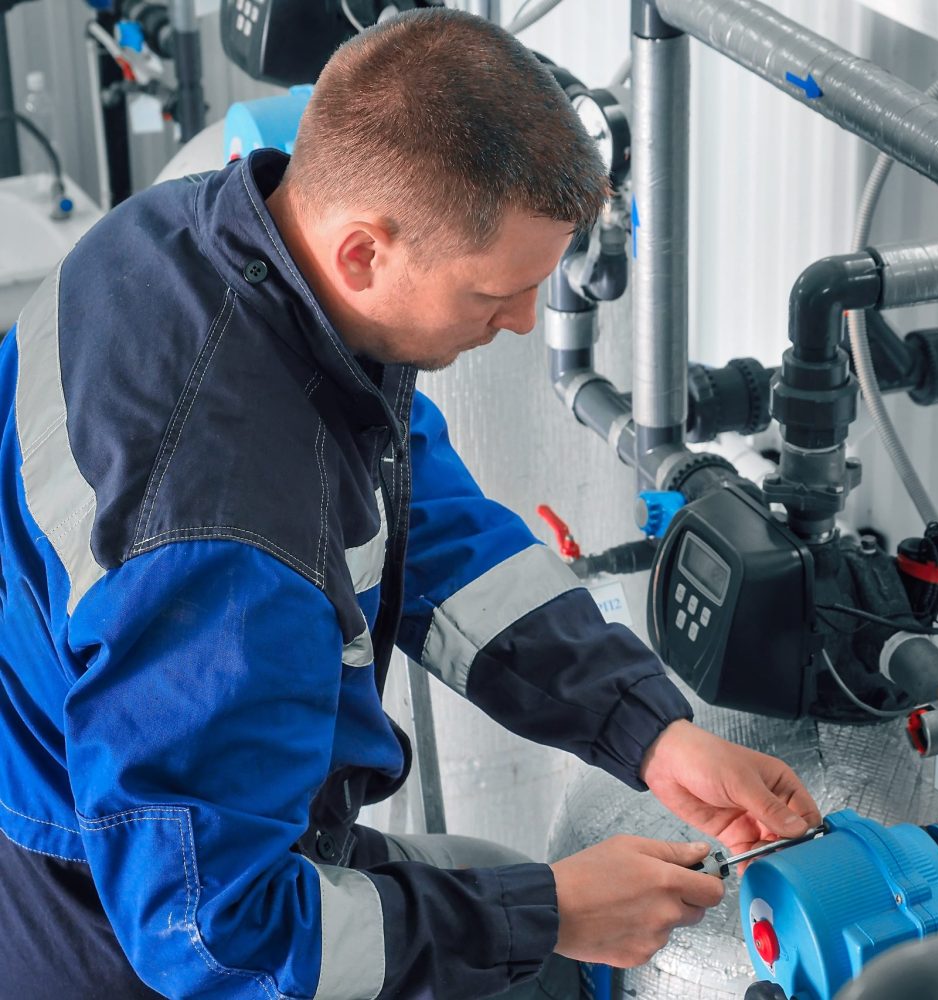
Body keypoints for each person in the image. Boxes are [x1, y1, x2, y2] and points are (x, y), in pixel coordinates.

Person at [0, 9, 820, 999]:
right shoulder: (220, 533)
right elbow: (217, 942)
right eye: (492, 295)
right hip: (109, 921)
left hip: (127, 798)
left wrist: (647, 728)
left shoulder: (204, 244)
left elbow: (418, 523)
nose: (522, 320)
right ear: (365, 252)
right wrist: (557, 911)